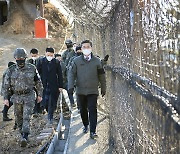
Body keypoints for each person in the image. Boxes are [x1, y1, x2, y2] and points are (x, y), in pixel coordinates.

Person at [3, 48, 43, 147]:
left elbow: (38, 82)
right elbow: (6, 85)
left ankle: (25, 136)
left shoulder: (32, 68)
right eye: (17, 58)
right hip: (16, 97)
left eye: (21, 57)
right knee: (18, 118)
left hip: (29, 96)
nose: (20, 59)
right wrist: (5, 98)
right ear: (15, 58)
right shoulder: (11, 70)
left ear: (25, 57)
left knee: (26, 117)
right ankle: (22, 136)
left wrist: (40, 94)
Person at [68, 40, 106, 139]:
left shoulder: (97, 61)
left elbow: (102, 75)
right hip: (80, 91)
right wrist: (70, 87)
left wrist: (103, 87)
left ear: (91, 48)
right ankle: (86, 125)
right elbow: (71, 74)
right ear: (81, 48)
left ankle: (93, 131)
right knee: (83, 110)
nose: (86, 49)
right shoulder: (76, 61)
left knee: (93, 109)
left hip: (93, 90)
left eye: (87, 47)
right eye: (84, 47)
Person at [37, 47, 63, 124]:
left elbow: (60, 75)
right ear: (45, 53)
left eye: (51, 55)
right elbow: (37, 73)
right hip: (43, 85)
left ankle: (50, 116)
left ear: (53, 55)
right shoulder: (41, 62)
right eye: (48, 55)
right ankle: (47, 111)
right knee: (45, 101)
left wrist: (60, 86)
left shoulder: (56, 62)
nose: (49, 57)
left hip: (53, 85)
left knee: (52, 101)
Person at [27, 48, 42, 115]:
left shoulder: (41, 61)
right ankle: (34, 110)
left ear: (37, 54)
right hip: (31, 82)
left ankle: (40, 109)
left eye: (35, 56)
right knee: (33, 97)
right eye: (32, 56)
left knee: (40, 95)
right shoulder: (28, 62)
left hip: (39, 81)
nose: (33, 57)